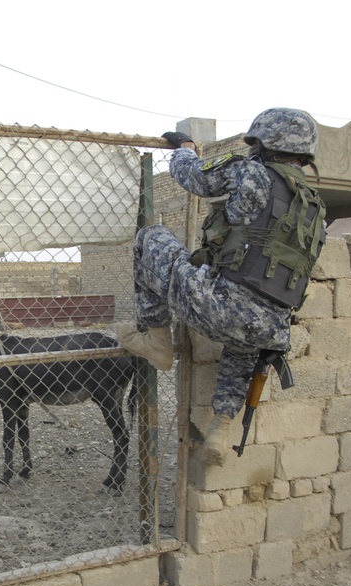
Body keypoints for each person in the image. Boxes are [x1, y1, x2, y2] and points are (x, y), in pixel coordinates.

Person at [115, 108, 327, 466]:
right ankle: (221, 426)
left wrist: (184, 147)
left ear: (262, 141)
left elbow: (193, 177)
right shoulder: (315, 207)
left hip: (219, 305)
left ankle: (156, 341)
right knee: (241, 348)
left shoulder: (252, 172)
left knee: (150, 237)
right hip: (273, 327)